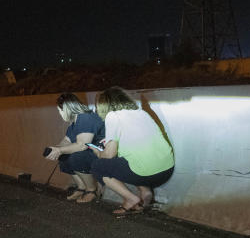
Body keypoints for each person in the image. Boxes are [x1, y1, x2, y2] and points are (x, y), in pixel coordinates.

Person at [91, 86, 174, 217]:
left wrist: (97, 152)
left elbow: (109, 155)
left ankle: (130, 199)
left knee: (98, 166)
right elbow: (137, 141)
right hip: (167, 170)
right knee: (134, 158)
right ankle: (146, 192)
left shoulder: (113, 116)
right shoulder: (142, 113)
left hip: (147, 173)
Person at [45, 93, 105, 203]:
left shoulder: (85, 118)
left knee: (76, 157)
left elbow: (82, 145)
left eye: (60, 110)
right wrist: (55, 149)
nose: (59, 113)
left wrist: (60, 150)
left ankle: (92, 190)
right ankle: (82, 187)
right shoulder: (75, 122)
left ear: (67, 109)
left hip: (103, 152)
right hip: (92, 150)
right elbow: (66, 141)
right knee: (63, 156)